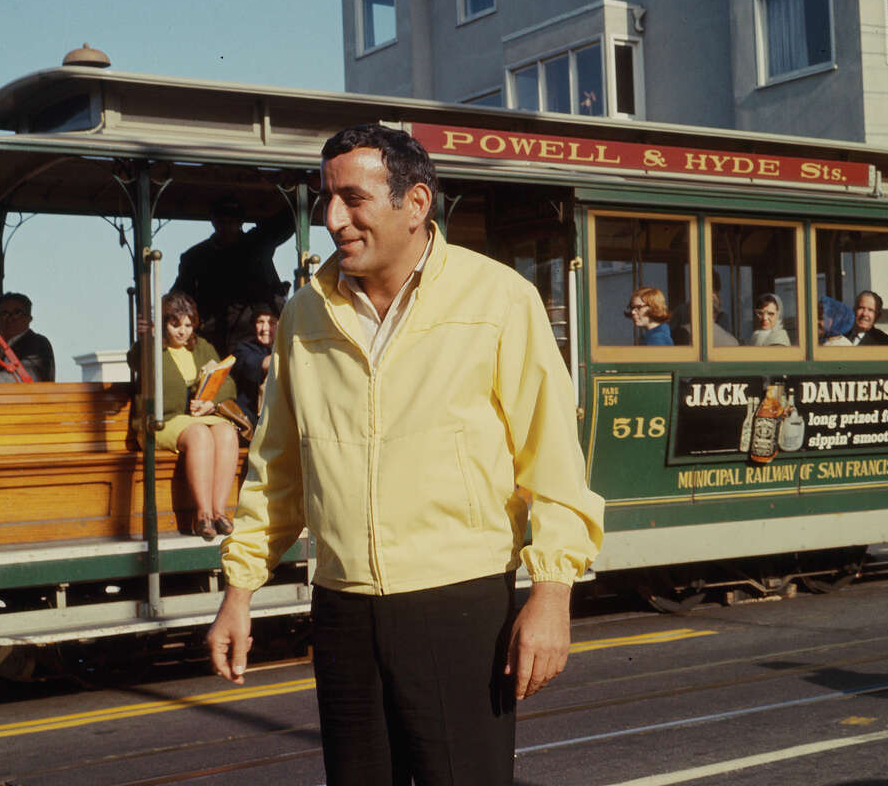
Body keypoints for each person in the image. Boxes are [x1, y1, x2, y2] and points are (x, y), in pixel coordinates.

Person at [206, 124, 604, 785]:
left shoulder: (498, 299)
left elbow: (554, 460)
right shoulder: (306, 315)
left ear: (415, 203)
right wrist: (239, 590)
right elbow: (278, 469)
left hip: (460, 603)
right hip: (342, 610)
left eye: (352, 199)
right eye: (325, 201)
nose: (333, 219)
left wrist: (553, 592)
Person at [134, 292, 239, 541]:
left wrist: (210, 403)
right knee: (200, 435)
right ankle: (202, 514)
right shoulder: (152, 349)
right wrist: (147, 338)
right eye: (175, 324)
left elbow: (227, 383)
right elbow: (135, 359)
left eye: (188, 325)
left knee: (226, 431)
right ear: (164, 324)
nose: (183, 332)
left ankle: (219, 511)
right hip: (163, 420)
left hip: (197, 418)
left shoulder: (202, 347)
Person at [170, 195, 295, 357]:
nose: (227, 227)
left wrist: (307, 195)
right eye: (221, 221)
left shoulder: (256, 244)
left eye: (232, 222)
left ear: (241, 222)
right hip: (211, 340)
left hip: (252, 342)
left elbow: (287, 222)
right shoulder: (195, 257)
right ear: (213, 221)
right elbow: (178, 297)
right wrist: (158, 318)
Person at [229, 300, 281, 426]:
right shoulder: (243, 349)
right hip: (250, 421)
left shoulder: (283, 347)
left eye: (271, 322)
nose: (265, 328)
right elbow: (265, 364)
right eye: (260, 322)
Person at [0, 292, 55, 382]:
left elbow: (27, 376)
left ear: (29, 318)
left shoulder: (38, 343)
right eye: (4, 314)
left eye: (17, 313)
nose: (10, 318)